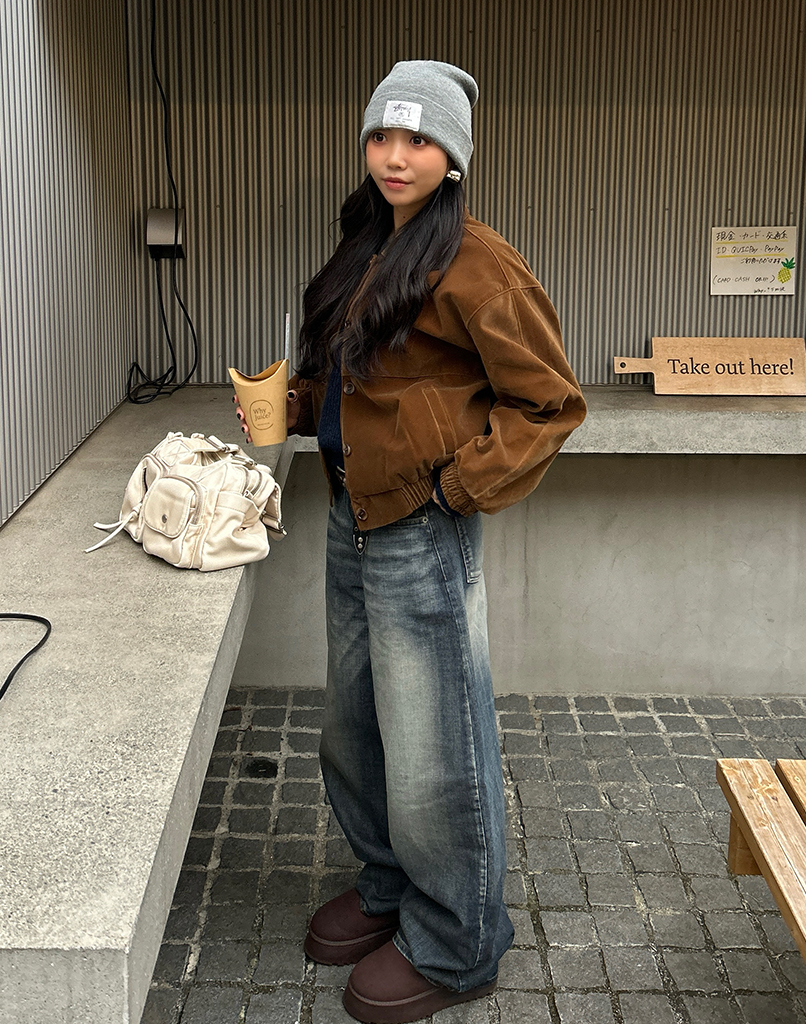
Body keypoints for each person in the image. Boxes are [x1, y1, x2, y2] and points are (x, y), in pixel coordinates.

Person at [235, 60, 586, 1024]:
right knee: (354, 728)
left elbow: (550, 402)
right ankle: (390, 887)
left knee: (436, 743)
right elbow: (382, 385)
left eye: (419, 140)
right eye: (382, 136)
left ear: (453, 157)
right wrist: (298, 405)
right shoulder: (371, 240)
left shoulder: (478, 261)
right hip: (353, 512)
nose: (395, 156)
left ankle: (457, 940)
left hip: (420, 527)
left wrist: (457, 487)